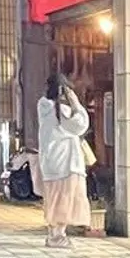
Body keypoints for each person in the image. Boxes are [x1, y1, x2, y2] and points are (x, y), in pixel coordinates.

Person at [36, 73, 91, 248]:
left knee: (54, 199)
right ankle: (58, 236)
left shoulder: (43, 107)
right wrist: (76, 103)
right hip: (66, 163)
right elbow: (81, 124)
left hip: (50, 162)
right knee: (65, 200)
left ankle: (54, 234)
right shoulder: (62, 111)